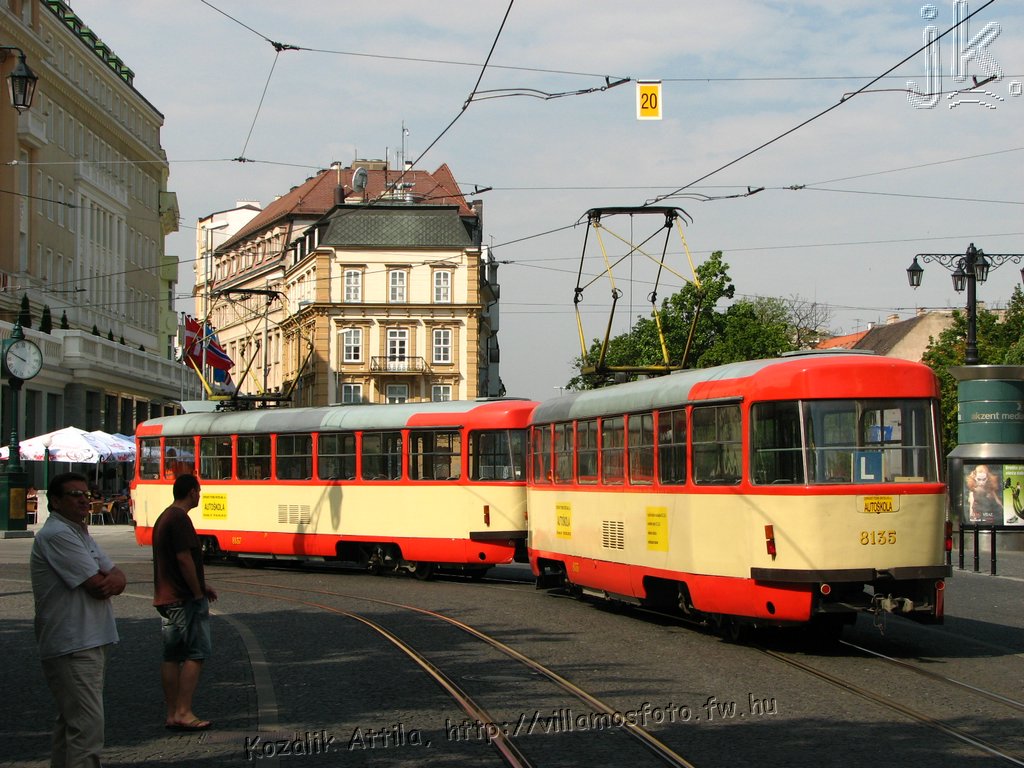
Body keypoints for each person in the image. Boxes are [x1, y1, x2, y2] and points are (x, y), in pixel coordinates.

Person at [30, 471, 127, 768]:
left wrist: (113, 579)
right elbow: (97, 585)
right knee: (87, 728)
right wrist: (110, 580)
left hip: (87, 639)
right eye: (75, 495)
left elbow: (118, 576)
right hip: (73, 643)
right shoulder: (58, 534)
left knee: (72, 721)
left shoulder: (78, 532)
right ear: (55, 501)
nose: (84, 500)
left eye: (86, 494)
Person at [152, 473, 217, 731]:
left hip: (167, 597)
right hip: (183, 598)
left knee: (171, 656)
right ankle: (183, 711)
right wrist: (197, 592)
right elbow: (184, 559)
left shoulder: (164, 517)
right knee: (196, 653)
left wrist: (202, 585)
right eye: (199, 491)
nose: (199, 496)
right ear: (191, 492)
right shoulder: (180, 519)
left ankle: (172, 713)